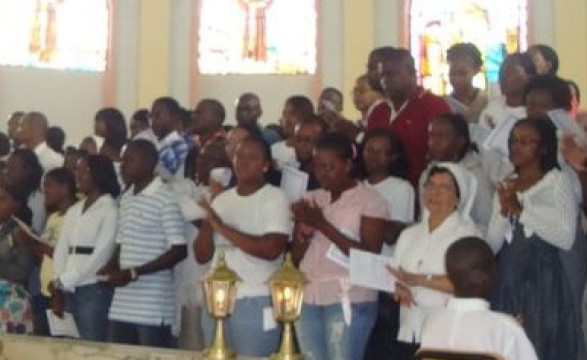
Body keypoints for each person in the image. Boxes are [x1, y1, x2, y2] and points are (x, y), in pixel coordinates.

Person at [487, 118, 579, 360]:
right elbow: (493, 244)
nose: (516, 147)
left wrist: (522, 211)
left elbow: (566, 238)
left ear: (544, 147)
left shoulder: (557, 182)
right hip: (508, 278)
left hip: (543, 280)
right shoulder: (506, 185)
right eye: (514, 141)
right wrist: (503, 214)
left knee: (540, 346)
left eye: (526, 142)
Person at [291, 132, 388, 360]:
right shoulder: (312, 198)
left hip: (349, 296)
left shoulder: (370, 200)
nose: (321, 173)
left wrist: (323, 225)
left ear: (347, 165)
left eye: (329, 167)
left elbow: (370, 255)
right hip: (308, 295)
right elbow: (295, 257)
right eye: (317, 166)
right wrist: (304, 234)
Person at [195, 135, 291, 357]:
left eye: (252, 157)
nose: (243, 162)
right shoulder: (222, 199)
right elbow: (201, 256)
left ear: (266, 165)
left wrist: (220, 225)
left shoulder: (275, 198)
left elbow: (271, 249)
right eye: (239, 155)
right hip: (216, 299)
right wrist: (208, 223)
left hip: (254, 298)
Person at [389, 163, 481, 360]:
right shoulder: (409, 234)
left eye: (444, 187)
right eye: (430, 185)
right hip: (409, 327)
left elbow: (466, 284)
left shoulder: (467, 235)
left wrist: (419, 280)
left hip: (448, 331)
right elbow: (394, 274)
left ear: (458, 198)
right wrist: (398, 287)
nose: (434, 193)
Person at [102, 139, 187, 348]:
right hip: (123, 304)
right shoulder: (127, 197)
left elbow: (179, 250)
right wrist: (111, 265)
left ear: (149, 163)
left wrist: (134, 272)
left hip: (152, 307)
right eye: (122, 161)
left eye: (129, 160)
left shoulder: (165, 198)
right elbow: (122, 240)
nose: (122, 166)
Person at [421, 237, 538, 360]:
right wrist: (511, 327)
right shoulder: (506, 329)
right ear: (493, 275)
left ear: (449, 277)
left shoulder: (431, 324)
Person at [51, 155, 120, 341]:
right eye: (77, 171)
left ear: (97, 174)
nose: (77, 176)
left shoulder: (110, 209)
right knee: (67, 345)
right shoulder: (74, 210)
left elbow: (102, 255)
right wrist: (59, 279)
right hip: (67, 288)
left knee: (90, 345)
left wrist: (67, 279)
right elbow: (62, 248)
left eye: (83, 171)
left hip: (93, 288)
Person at [361, 128, 413, 360]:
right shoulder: (357, 185)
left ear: (392, 157)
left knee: (384, 343)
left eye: (380, 152)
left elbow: (392, 233)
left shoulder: (401, 188)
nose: (373, 157)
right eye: (369, 150)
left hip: (385, 276)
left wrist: (363, 224)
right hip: (359, 274)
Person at [16, 167, 76, 336]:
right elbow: (44, 253)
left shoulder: (75, 216)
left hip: (60, 291)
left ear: (64, 187)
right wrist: (31, 241)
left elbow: (65, 254)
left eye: (49, 185)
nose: (45, 191)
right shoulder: (53, 217)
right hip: (44, 289)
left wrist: (37, 243)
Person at [379, 48, 451, 185]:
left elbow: (444, 151)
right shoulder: (379, 111)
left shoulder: (433, 105)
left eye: (391, 74)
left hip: (425, 188)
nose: (385, 81)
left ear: (412, 73)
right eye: (382, 76)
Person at [424, 113, 493, 233]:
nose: (434, 142)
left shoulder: (476, 174)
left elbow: (485, 221)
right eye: (431, 136)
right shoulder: (427, 173)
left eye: (441, 136)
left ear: (460, 141)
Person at [0, 183, 36, 334]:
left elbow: (23, 270)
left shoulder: (22, 231)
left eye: (1, 199)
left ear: (16, 204)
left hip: (11, 300)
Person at [445, 43, 488, 124]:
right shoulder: (444, 104)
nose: (457, 79)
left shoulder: (486, 101)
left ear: (475, 71)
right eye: (452, 73)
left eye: (462, 73)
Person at [150, 97, 190, 182]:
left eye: (157, 116)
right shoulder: (157, 143)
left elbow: (162, 177)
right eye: (151, 116)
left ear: (175, 117)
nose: (153, 121)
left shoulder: (179, 145)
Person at [272, 95, 314, 170]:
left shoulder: (306, 157)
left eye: (286, 114)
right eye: (283, 114)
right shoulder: (275, 147)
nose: (282, 119)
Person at [291, 115, 329, 191]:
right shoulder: (293, 172)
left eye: (308, 141)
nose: (300, 145)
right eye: (298, 139)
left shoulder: (327, 182)